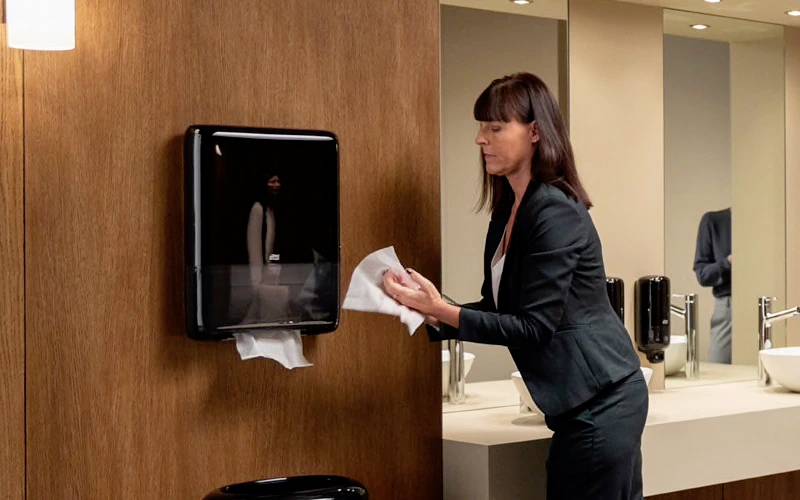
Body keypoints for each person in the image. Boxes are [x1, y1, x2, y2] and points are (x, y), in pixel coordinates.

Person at [383, 73, 648, 499]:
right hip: (580, 403)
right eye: (480, 127)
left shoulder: (554, 211)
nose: (480, 140)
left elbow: (534, 326)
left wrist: (445, 310)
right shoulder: (510, 211)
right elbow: (496, 306)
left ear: (535, 132)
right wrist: (431, 309)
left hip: (603, 401)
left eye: (494, 127)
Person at [693, 208, 732, 364]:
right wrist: (727, 262)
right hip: (729, 306)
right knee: (719, 370)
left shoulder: (768, 219)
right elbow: (702, 274)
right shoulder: (714, 221)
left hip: (768, 303)